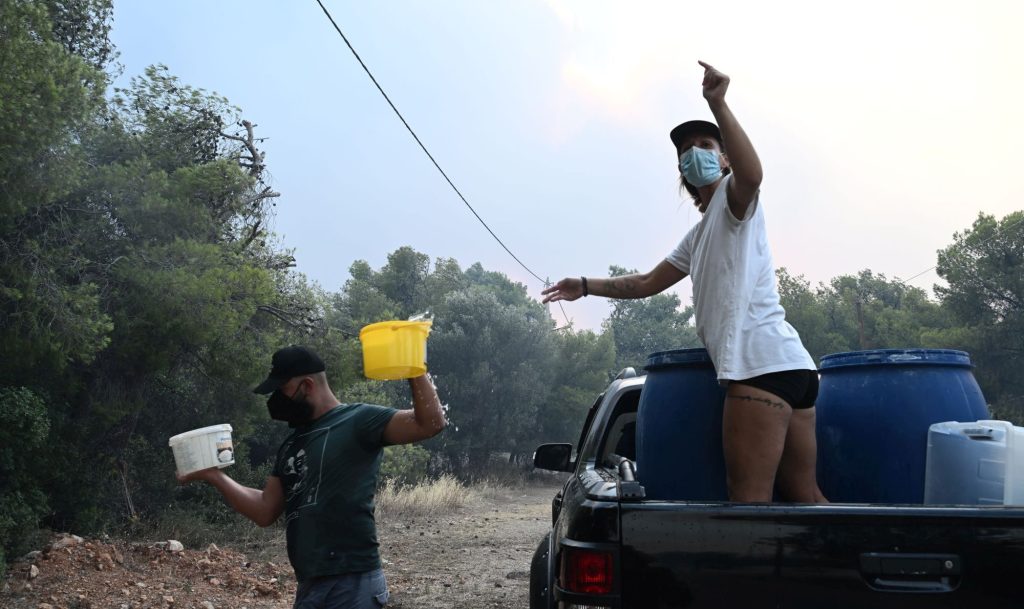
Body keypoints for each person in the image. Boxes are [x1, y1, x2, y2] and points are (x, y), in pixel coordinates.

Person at [542, 61, 826, 504]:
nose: (695, 152)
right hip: (795, 365)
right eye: (686, 150)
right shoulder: (699, 234)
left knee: (749, 501)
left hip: (759, 368)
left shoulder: (736, 201)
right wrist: (585, 284)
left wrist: (718, 102)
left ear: (724, 156)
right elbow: (647, 282)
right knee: (805, 497)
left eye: (706, 144)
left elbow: (753, 176)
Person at [176, 345, 447, 608]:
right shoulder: (291, 444)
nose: (276, 401)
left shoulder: (358, 419)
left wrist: (415, 368)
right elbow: (264, 510)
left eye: (282, 390)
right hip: (309, 586)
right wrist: (215, 476)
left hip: (352, 581)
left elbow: (430, 423)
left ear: (306, 386)